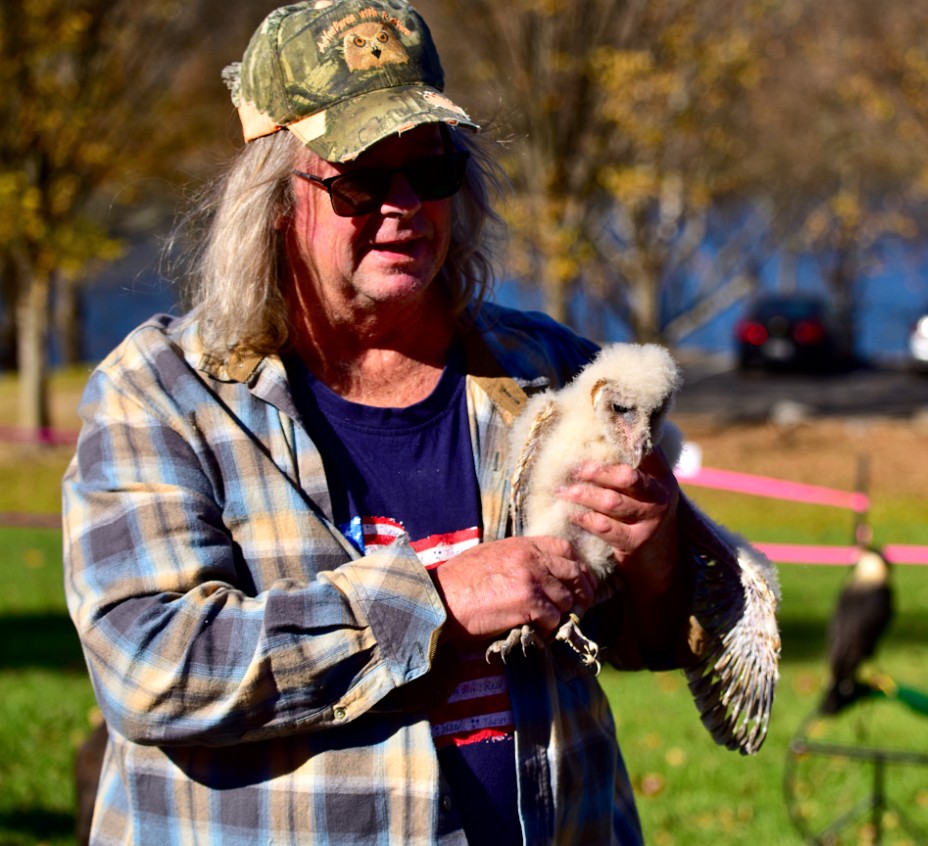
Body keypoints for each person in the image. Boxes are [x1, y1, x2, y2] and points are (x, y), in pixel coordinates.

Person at [63, 1, 778, 843]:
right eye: (362, 177)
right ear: (272, 199)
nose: (404, 205)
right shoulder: (161, 392)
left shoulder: (549, 372)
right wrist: (434, 603)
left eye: (431, 170)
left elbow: (647, 637)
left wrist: (653, 546)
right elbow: (151, 666)